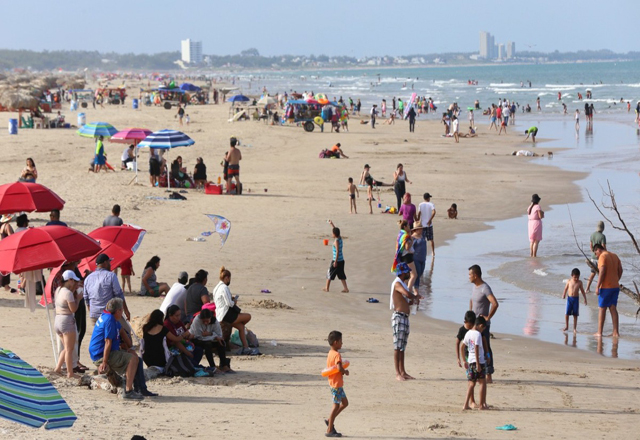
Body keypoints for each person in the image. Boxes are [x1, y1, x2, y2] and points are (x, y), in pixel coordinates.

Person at [88, 298, 155, 400]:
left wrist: (130, 348)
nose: (123, 313)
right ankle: (128, 391)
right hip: (100, 354)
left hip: (102, 351)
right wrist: (104, 362)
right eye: (122, 310)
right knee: (133, 359)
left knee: (138, 359)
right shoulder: (109, 320)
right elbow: (108, 342)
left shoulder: (108, 315)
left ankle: (141, 389)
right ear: (118, 310)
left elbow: (122, 332)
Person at [213, 267, 254, 354]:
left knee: (241, 327)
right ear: (227, 278)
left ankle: (246, 347)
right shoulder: (224, 287)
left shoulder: (216, 287)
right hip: (226, 314)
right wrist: (234, 301)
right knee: (248, 316)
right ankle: (234, 325)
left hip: (220, 314)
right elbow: (229, 304)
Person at [468, 264, 498, 383]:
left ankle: (489, 374)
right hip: (474, 325)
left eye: (470, 274)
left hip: (482, 326)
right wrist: (470, 315)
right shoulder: (475, 287)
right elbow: (472, 300)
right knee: (474, 347)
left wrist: (488, 317)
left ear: (475, 275)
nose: (469, 277)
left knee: (485, 348)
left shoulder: (485, 288)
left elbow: (495, 303)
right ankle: (477, 372)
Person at [84, 253, 130, 327]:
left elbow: (86, 298)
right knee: (123, 330)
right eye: (109, 262)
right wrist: (126, 310)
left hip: (94, 314)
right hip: (109, 314)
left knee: (99, 333)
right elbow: (119, 294)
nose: (110, 264)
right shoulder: (111, 276)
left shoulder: (88, 278)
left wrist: (92, 311)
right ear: (105, 263)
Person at [390, 263, 418, 381]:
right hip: (399, 317)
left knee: (402, 347)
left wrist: (413, 301)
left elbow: (405, 299)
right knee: (397, 346)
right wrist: (414, 296)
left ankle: (403, 371)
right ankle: (398, 373)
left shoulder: (403, 284)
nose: (409, 274)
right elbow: (406, 294)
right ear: (402, 273)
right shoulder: (397, 283)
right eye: (407, 272)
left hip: (404, 317)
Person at [53, 270, 82, 378]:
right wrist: (78, 299)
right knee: (69, 349)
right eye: (73, 281)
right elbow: (73, 309)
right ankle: (70, 373)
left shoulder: (59, 290)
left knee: (65, 348)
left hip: (58, 320)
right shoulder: (68, 293)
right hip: (66, 321)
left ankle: (58, 368)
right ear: (69, 280)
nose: (74, 283)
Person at [190, 308, 232, 373]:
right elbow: (199, 335)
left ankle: (224, 365)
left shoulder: (214, 321)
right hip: (197, 339)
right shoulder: (197, 320)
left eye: (207, 321)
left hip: (209, 338)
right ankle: (212, 366)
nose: (205, 323)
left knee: (221, 342)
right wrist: (214, 336)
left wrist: (210, 334)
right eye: (203, 321)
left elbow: (219, 335)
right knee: (208, 344)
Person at [594, 244, 622, 338]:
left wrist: (597, 286)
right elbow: (620, 270)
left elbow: (602, 271)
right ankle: (615, 332)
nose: (596, 256)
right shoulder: (614, 255)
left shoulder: (603, 256)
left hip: (606, 287)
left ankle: (599, 332)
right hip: (615, 286)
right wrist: (616, 279)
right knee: (613, 308)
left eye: (596, 253)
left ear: (598, 250)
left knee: (602, 308)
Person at [461, 316, 488, 410]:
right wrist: (478, 363)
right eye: (482, 328)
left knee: (471, 383)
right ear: (480, 325)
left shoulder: (468, 333)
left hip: (470, 361)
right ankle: (481, 405)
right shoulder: (478, 334)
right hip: (478, 361)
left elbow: (462, 346)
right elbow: (476, 347)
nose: (482, 330)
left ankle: (465, 404)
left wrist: (464, 360)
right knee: (482, 382)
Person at [325, 330, 349, 438]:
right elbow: (339, 368)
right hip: (336, 384)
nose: (342, 343)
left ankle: (330, 420)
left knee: (345, 403)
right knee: (336, 405)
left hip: (334, 382)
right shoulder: (337, 355)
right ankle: (329, 429)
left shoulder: (330, 353)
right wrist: (345, 371)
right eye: (340, 341)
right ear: (336, 342)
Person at [323, 220, 349, 293]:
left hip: (336, 260)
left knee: (329, 273)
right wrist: (332, 224)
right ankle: (346, 288)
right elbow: (335, 230)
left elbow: (337, 251)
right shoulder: (340, 238)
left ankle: (327, 288)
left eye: (332, 233)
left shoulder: (336, 241)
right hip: (341, 260)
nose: (332, 234)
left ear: (334, 234)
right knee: (341, 275)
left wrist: (335, 261)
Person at [562, 268, 587, 333]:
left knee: (575, 314)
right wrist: (564, 294)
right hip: (569, 299)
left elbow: (582, 291)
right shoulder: (569, 281)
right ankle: (566, 326)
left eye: (578, 277)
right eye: (575, 277)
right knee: (567, 313)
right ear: (572, 276)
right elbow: (565, 288)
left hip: (576, 299)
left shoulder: (579, 282)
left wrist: (585, 299)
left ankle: (574, 328)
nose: (576, 279)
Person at [586, 221, 606, 292]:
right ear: (603, 228)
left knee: (592, 273)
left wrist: (594, 253)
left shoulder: (592, 235)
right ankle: (600, 289)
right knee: (601, 274)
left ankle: (587, 288)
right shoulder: (602, 236)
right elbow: (603, 247)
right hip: (600, 258)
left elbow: (591, 246)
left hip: (593, 257)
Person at [0, 215, 16, 293]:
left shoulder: (2, 226)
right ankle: (5, 285)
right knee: (7, 267)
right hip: (8, 247)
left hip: (3, 247)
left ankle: (4, 284)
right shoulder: (7, 226)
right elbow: (11, 237)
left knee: (3, 266)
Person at [411, 224, 426, 292]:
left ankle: (413, 287)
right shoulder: (412, 238)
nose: (421, 230)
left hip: (423, 258)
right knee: (417, 274)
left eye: (422, 229)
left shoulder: (422, 236)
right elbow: (410, 249)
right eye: (420, 229)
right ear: (416, 230)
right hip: (416, 259)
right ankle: (416, 291)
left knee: (420, 274)